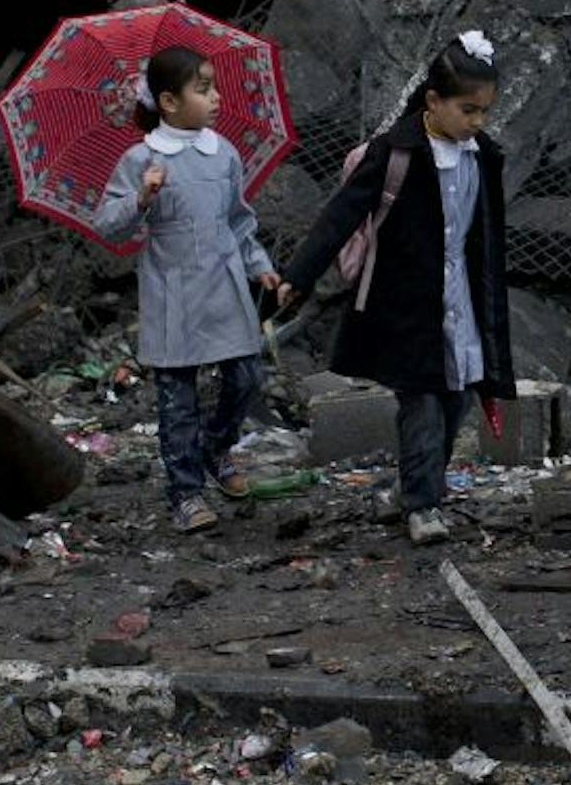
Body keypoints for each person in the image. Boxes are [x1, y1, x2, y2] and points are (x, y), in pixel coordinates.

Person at [278, 30, 515, 548]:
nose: (477, 122)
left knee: (455, 402)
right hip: (408, 306)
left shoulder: (481, 156)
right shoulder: (395, 154)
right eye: (467, 110)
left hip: (462, 303)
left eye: (483, 112)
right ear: (433, 101)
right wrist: (299, 274)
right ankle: (424, 505)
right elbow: (341, 214)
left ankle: (414, 485)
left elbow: (485, 234)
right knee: (423, 402)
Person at [94, 46, 281, 533]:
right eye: (204, 89)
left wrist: (258, 265)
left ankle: (216, 448)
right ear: (169, 102)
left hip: (224, 285)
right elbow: (108, 225)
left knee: (245, 378)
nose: (217, 98)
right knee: (177, 399)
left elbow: (238, 219)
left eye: (214, 86)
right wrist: (141, 197)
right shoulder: (141, 159)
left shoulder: (224, 154)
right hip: (172, 290)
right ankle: (185, 492)